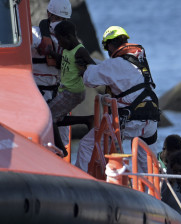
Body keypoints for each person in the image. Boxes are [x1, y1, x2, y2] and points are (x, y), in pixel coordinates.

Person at [75, 26, 160, 173]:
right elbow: (108, 69)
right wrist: (93, 63)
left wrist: (84, 66)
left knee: (86, 146)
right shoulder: (138, 60)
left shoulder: (114, 64)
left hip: (128, 120)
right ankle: (149, 193)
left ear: (109, 45)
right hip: (150, 118)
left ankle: (81, 181)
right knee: (146, 164)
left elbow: (90, 79)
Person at [48, 21, 95, 155]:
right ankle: (87, 119)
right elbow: (62, 62)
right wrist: (50, 52)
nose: (59, 43)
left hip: (73, 92)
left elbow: (93, 66)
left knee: (48, 116)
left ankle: (62, 150)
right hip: (67, 91)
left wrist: (84, 70)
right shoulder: (67, 49)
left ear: (68, 37)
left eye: (60, 40)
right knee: (57, 118)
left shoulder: (80, 51)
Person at [31, 0, 71, 103]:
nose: (60, 23)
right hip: (35, 92)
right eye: (57, 18)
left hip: (55, 94)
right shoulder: (34, 34)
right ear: (49, 14)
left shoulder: (68, 41)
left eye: (63, 19)